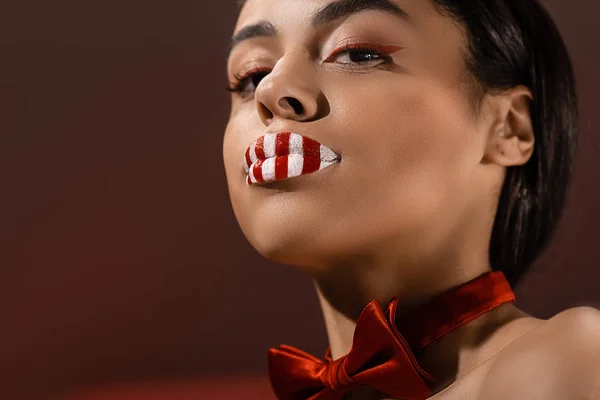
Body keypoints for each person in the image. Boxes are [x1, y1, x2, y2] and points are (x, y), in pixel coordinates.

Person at [222, 0, 600, 398]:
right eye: (250, 75)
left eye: (357, 53)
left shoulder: (568, 364)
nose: (270, 88)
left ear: (508, 128)